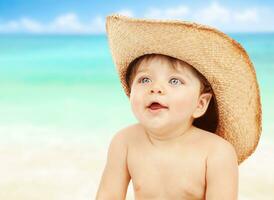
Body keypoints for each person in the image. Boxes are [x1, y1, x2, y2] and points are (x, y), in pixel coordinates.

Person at [96, 14, 262, 200]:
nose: (155, 88)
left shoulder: (217, 152)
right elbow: (107, 195)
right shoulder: (124, 142)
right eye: (145, 79)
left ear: (200, 104)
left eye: (174, 81)